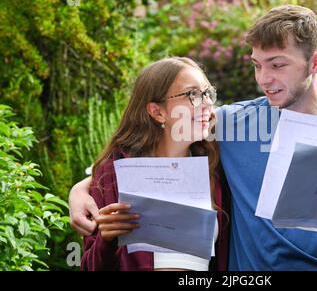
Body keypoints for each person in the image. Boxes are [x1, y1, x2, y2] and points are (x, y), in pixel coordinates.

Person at [70, 5, 317, 271]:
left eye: (277, 64)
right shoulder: (229, 123)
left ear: (315, 63)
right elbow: (154, 146)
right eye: (257, 65)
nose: (264, 79)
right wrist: (82, 188)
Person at [80, 57, 229, 271]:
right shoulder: (114, 174)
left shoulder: (216, 168)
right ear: (157, 111)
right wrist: (106, 239)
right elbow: (89, 267)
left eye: (207, 93)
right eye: (192, 94)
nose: (207, 104)